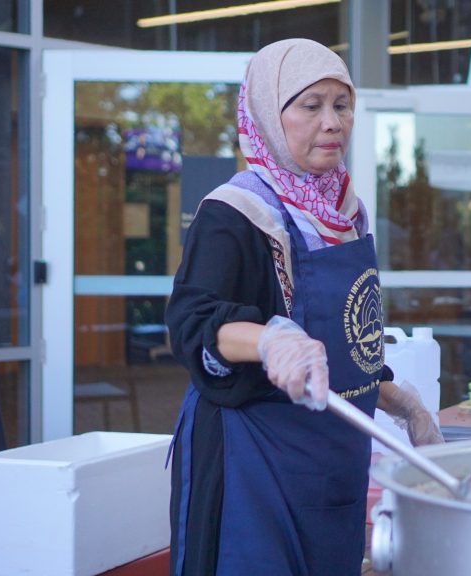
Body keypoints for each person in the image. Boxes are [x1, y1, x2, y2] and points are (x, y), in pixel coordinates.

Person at [165, 39, 442, 576]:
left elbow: (346, 344)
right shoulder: (235, 212)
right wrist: (268, 338)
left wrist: (401, 403)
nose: (332, 122)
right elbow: (193, 323)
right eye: (310, 106)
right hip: (254, 465)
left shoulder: (346, 211)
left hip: (334, 463)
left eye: (342, 105)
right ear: (270, 114)